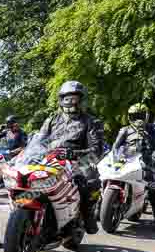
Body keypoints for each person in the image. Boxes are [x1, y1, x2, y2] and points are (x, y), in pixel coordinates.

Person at [36, 80, 104, 234]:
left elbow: (97, 150)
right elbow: (38, 141)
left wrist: (75, 154)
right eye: (67, 98)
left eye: (74, 98)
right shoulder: (52, 119)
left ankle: (88, 218)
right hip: (50, 159)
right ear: (61, 100)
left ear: (81, 100)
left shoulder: (90, 121)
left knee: (85, 182)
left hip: (78, 161)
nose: (70, 102)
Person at [112, 103, 155, 232]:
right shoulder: (124, 130)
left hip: (145, 163)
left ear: (146, 116)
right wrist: (115, 158)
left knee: (154, 190)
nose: (138, 119)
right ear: (130, 117)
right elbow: (115, 146)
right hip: (126, 161)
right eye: (135, 116)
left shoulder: (153, 130)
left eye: (141, 116)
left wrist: (147, 134)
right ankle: (100, 208)